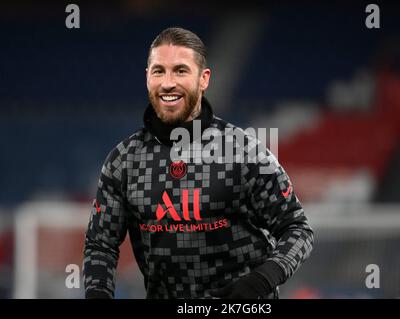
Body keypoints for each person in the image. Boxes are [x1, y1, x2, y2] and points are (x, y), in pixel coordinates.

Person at [83, 27, 314, 299]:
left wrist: (261, 281)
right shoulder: (123, 161)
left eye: (180, 70)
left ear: (204, 80)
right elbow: (100, 245)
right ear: (147, 78)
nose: (168, 83)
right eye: (159, 71)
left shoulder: (244, 152)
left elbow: (297, 230)